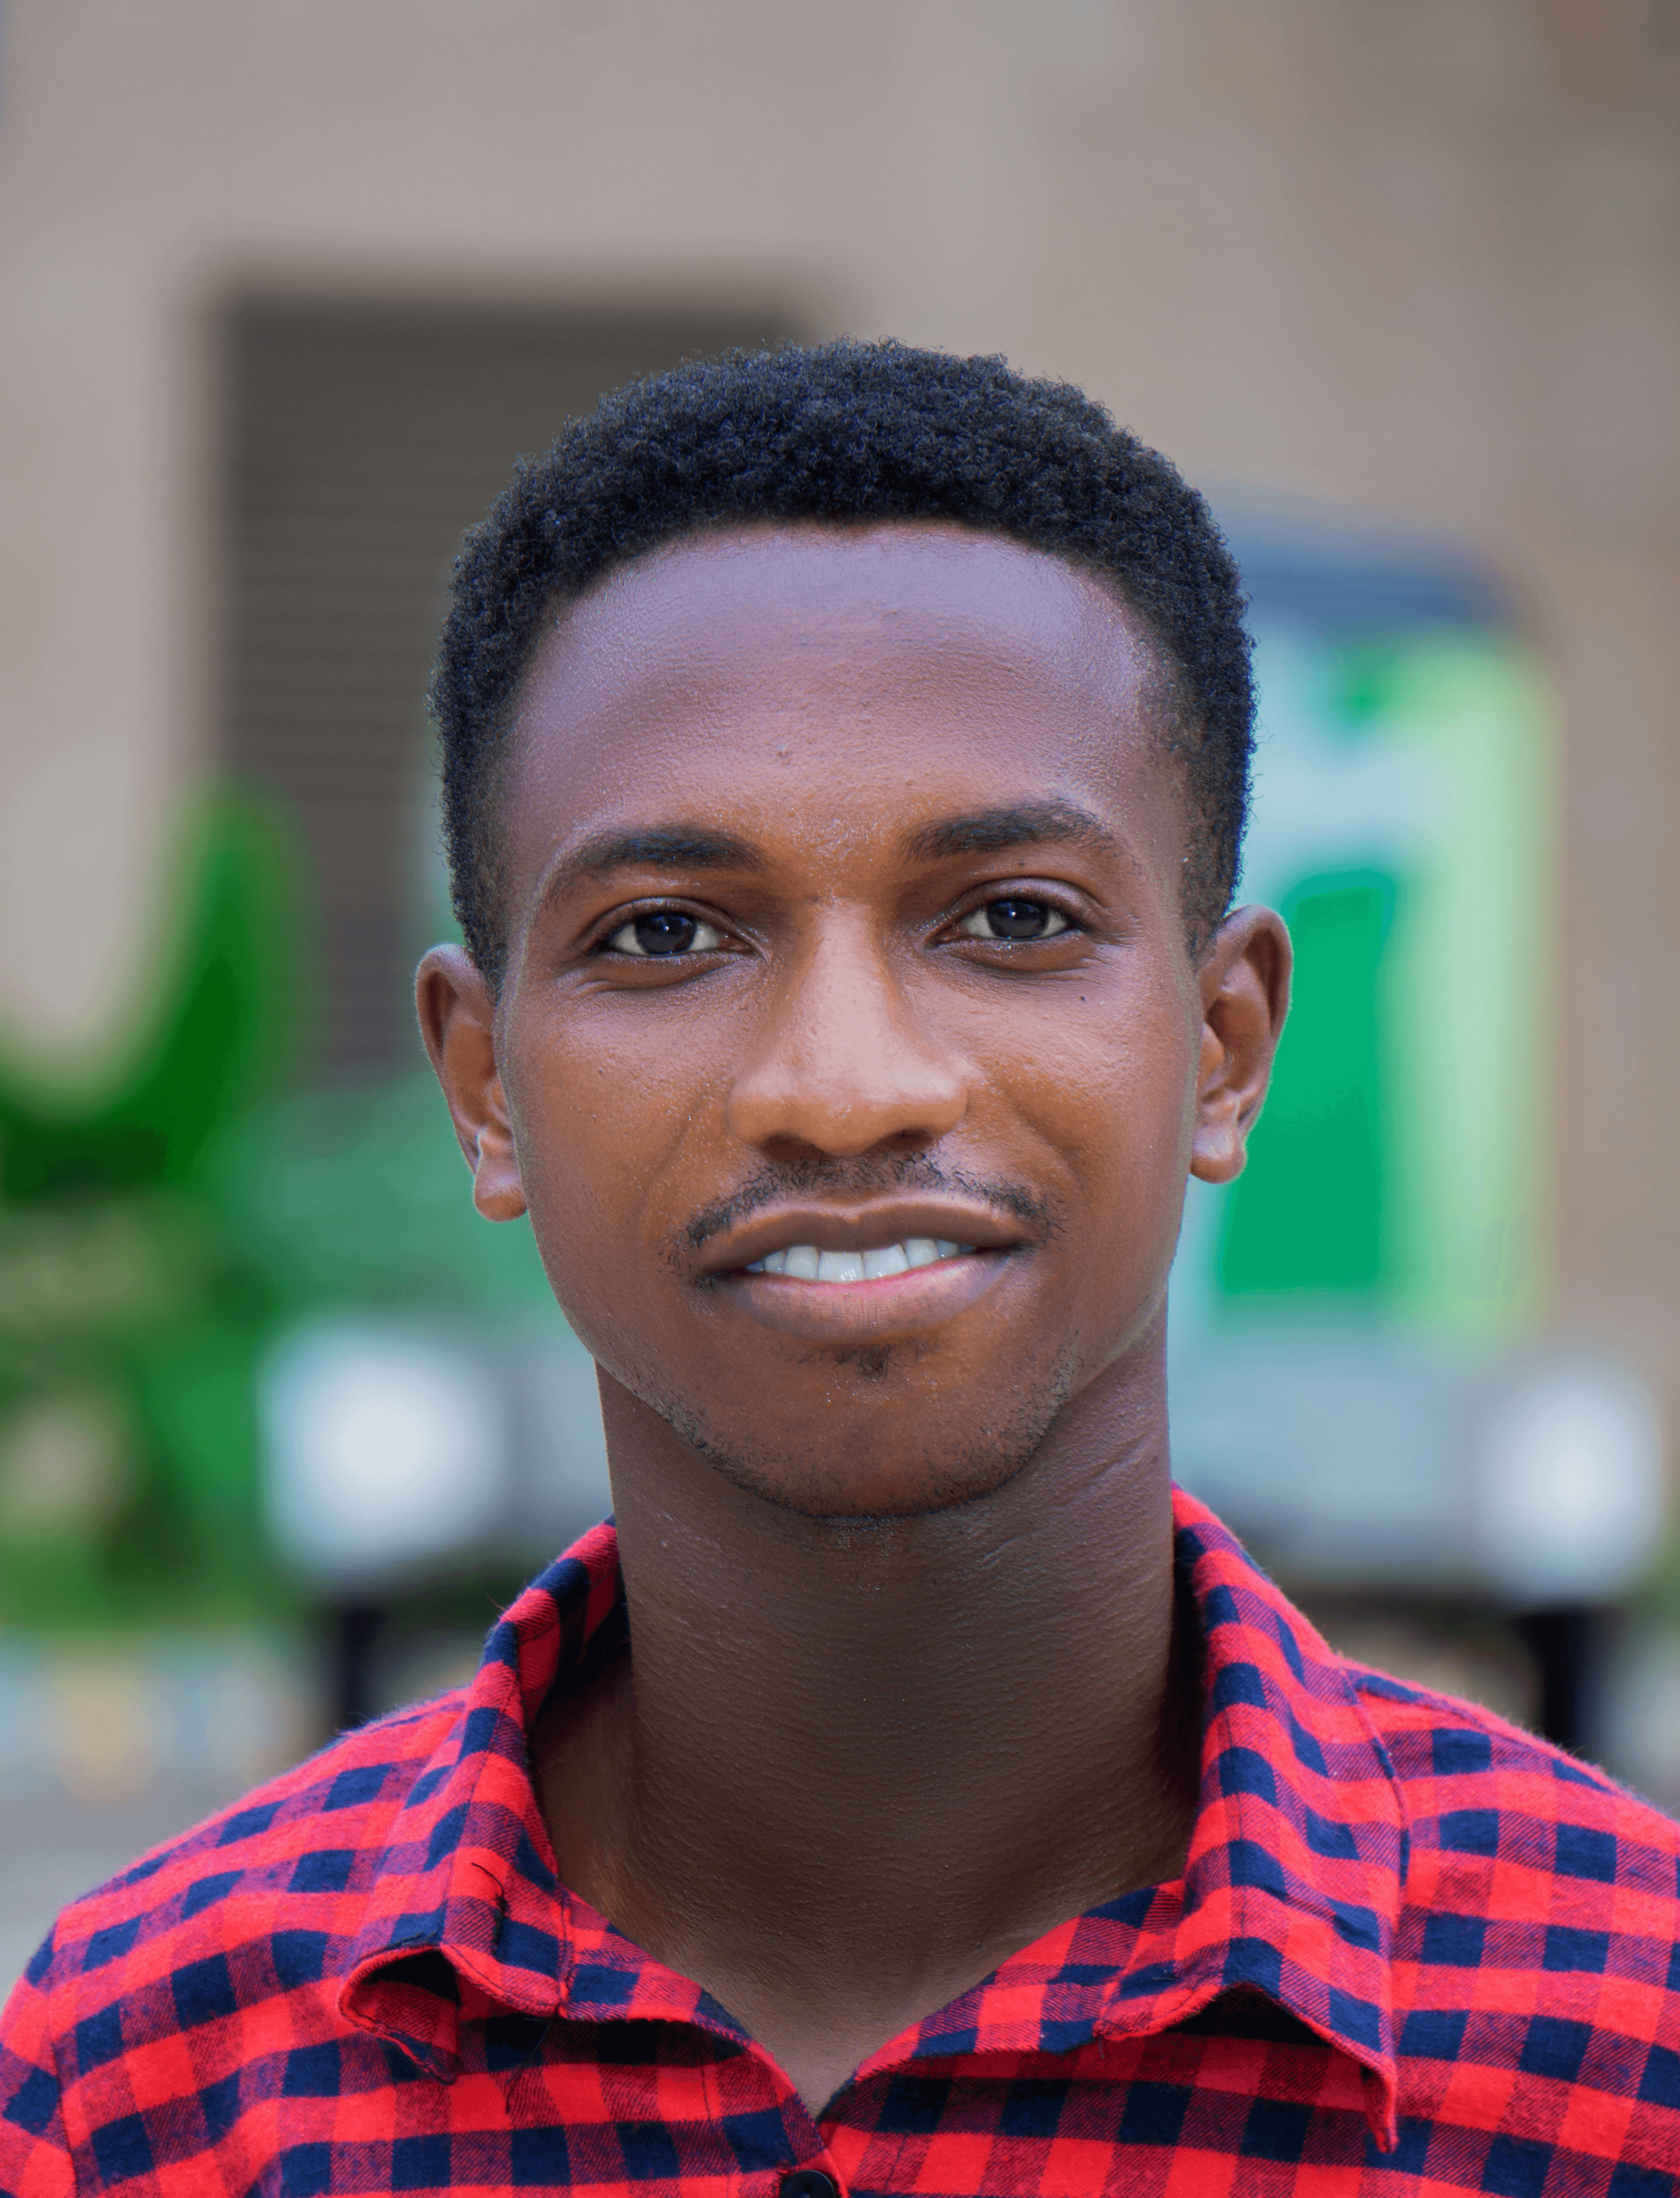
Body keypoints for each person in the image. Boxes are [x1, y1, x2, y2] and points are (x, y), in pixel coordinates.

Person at [3, 342, 1676, 2197]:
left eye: (1014, 918)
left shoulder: (1627, 2043)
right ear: (484, 1090)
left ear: (1224, 1048)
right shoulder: (144, 2089)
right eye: (665, 934)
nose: (844, 1086)